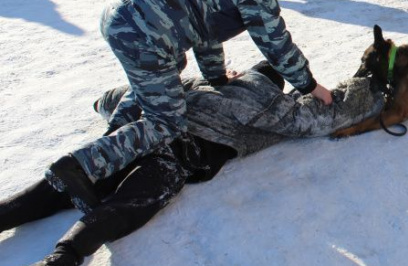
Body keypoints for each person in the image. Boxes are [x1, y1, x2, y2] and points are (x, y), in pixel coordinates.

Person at [45, 0, 334, 215]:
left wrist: (217, 77)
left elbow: (205, 28)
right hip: (145, 33)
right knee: (167, 121)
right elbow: (275, 43)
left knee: (163, 75)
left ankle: (114, 138)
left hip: (123, 13)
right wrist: (311, 86)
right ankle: (79, 167)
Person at [2, 63, 385, 266]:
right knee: (130, 202)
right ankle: (66, 256)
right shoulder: (263, 101)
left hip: (138, 136)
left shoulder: (202, 80)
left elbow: (122, 93)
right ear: (276, 85)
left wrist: (105, 106)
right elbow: (314, 120)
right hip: (180, 154)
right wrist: (366, 85)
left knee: (62, 186)